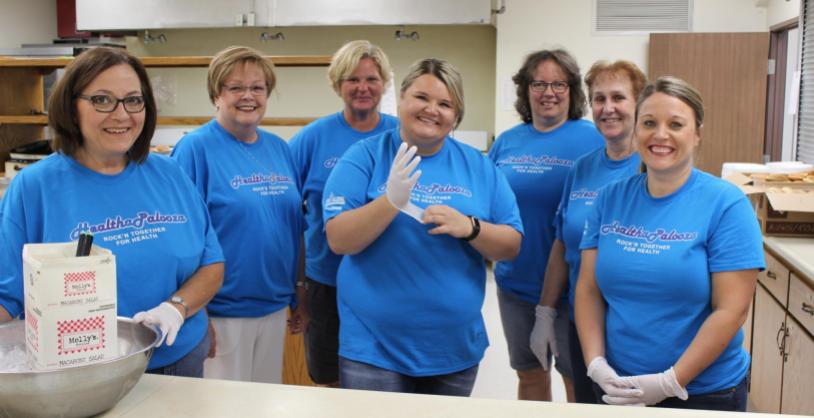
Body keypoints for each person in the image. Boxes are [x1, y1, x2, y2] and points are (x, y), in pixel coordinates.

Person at [0, 47, 224, 377]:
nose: (122, 114)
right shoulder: (35, 188)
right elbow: (7, 296)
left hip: (181, 358)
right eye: (102, 100)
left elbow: (211, 263)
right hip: (82, 375)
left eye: (133, 100)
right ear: (71, 107)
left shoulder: (171, 174)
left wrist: (176, 309)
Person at [322, 58, 523, 396]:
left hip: (453, 349)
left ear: (456, 115)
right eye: (421, 98)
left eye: (445, 104)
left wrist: (471, 227)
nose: (432, 110)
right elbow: (339, 239)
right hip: (373, 348)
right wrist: (390, 201)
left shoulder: (478, 166)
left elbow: (511, 244)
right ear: (400, 100)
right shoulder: (365, 156)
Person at [575, 76, 765, 411]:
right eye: (649, 123)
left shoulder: (726, 204)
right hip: (618, 387)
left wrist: (671, 381)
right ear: (636, 131)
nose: (660, 134)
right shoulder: (609, 200)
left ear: (697, 134)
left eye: (675, 124)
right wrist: (595, 364)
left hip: (703, 392)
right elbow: (588, 289)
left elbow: (731, 309)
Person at [171, 46, 305, 383]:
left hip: (274, 308)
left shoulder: (279, 148)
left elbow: (293, 228)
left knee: (263, 406)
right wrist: (197, 313)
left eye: (257, 88)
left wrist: (299, 291)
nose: (248, 96)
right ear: (217, 94)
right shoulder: (195, 149)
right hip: (221, 313)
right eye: (236, 88)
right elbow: (182, 238)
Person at [488, 49, 603, 401]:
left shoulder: (593, 138)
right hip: (516, 285)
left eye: (558, 84)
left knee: (576, 383)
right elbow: (489, 203)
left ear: (572, 91)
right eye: (538, 83)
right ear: (525, 90)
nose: (548, 92)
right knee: (530, 377)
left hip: (575, 290)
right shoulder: (507, 142)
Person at [533, 60, 646, 404]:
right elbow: (562, 243)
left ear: (639, 104)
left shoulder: (653, 166)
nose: (608, 108)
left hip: (635, 323)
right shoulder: (583, 168)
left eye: (618, 98)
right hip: (582, 319)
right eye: (599, 99)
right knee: (585, 404)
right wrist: (545, 311)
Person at [288, 40, 398, 387]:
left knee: (384, 381)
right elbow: (291, 215)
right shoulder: (311, 139)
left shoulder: (402, 135)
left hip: (388, 283)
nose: (363, 88)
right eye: (352, 79)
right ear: (338, 84)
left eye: (372, 79)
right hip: (326, 282)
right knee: (328, 380)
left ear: (384, 84)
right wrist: (298, 287)